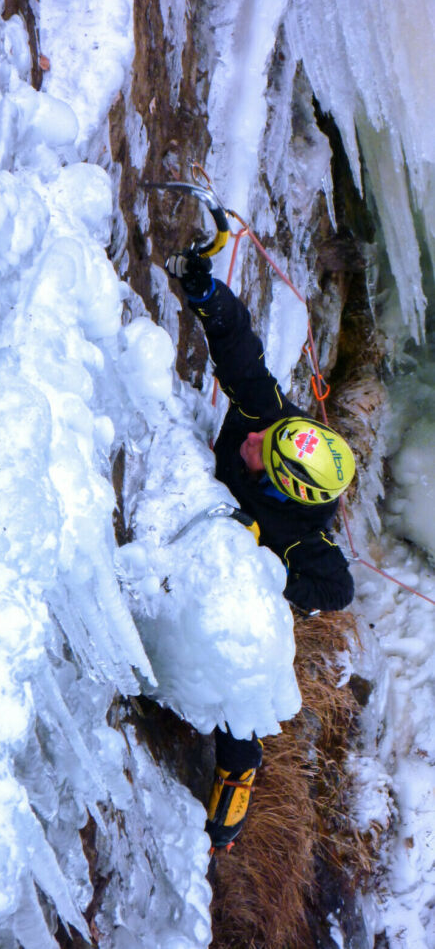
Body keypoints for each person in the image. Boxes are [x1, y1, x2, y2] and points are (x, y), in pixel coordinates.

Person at [166, 249, 357, 849]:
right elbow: (241, 351)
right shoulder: (269, 417)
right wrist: (208, 297)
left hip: (237, 579)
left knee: (243, 670)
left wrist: (270, 571)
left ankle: (237, 774)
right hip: (196, 514)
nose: (249, 434)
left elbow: (337, 589)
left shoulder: (306, 537)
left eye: (259, 448)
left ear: (280, 483)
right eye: (259, 434)